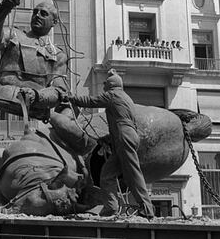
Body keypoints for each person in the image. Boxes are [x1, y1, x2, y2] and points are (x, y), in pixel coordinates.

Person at [65, 69, 154, 219]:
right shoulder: (125, 97)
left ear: (111, 84)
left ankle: (147, 209)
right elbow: (121, 122)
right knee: (107, 175)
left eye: (106, 83)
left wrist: (72, 99)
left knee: (132, 174)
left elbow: (92, 101)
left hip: (123, 137)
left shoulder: (113, 95)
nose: (104, 85)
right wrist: (108, 138)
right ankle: (111, 208)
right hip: (124, 137)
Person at [0, 0, 68, 119]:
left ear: (54, 22)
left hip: (34, 104)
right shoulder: (13, 35)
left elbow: (59, 90)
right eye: (35, 12)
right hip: (2, 93)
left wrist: (38, 96)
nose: (37, 15)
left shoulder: (58, 54)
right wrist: (5, 7)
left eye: (43, 14)